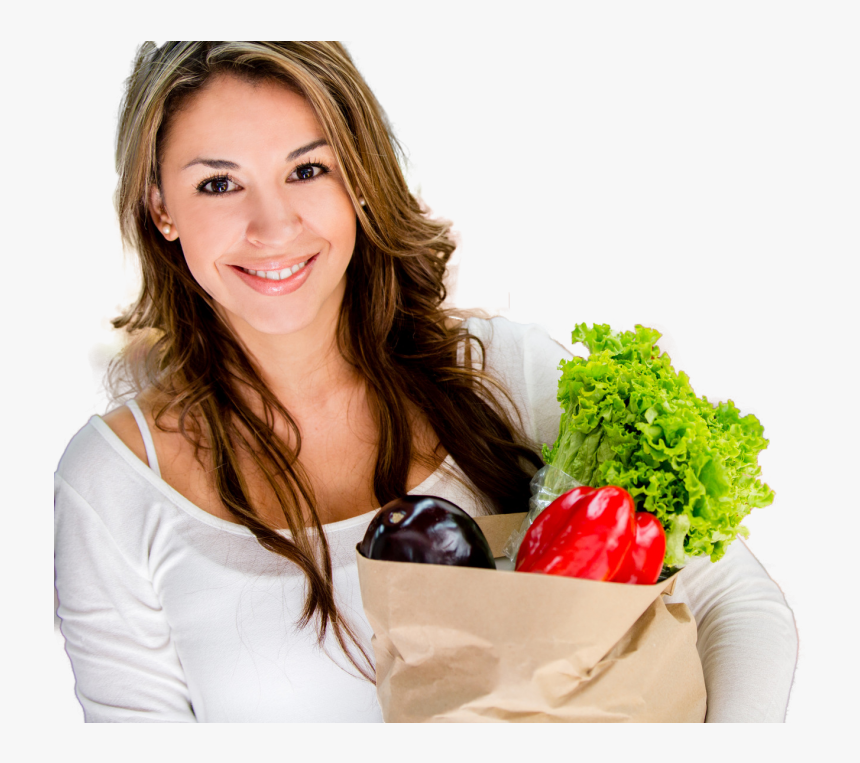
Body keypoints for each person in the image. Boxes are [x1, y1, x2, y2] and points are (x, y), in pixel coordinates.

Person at [53, 41, 798, 723]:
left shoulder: (503, 376)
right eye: (219, 183)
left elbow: (735, 603)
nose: (272, 224)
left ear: (360, 183)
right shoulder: (114, 485)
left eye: (308, 170)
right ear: (160, 208)